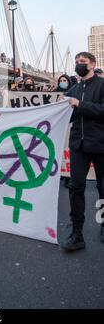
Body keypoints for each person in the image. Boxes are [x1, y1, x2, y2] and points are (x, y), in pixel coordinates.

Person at [60, 52, 104, 251]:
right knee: (76, 188)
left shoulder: (102, 86)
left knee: (103, 188)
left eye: (83, 62)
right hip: (78, 145)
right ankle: (77, 233)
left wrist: (81, 105)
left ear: (93, 65)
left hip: (100, 145)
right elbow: (67, 117)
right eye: (77, 62)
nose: (79, 65)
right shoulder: (74, 89)